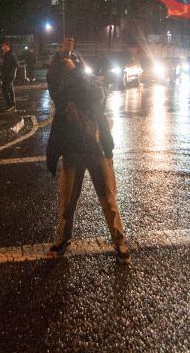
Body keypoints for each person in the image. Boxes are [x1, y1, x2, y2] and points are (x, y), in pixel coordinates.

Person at [45, 55, 129, 263]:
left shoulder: (91, 83)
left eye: (72, 61)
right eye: (65, 63)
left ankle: (119, 241)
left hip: (96, 148)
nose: (69, 64)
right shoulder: (62, 87)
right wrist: (60, 59)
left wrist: (76, 70)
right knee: (67, 201)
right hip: (72, 150)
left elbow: (93, 95)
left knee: (108, 199)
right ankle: (63, 238)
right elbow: (55, 88)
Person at [0, 42, 19, 111]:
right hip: (8, 74)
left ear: (7, 46)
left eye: (3, 46)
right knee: (10, 89)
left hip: (9, 75)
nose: (2, 48)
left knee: (4, 89)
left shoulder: (11, 54)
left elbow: (16, 64)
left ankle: (10, 105)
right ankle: (13, 104)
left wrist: (12, 72)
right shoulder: (7, 54)